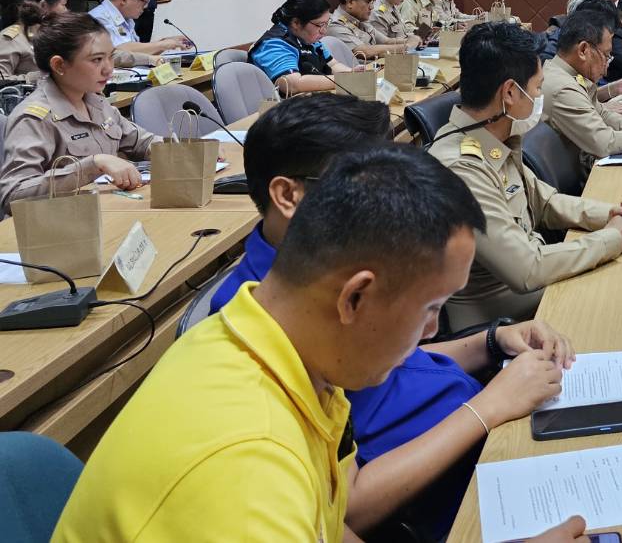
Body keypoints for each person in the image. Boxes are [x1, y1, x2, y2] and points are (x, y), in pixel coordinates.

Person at [53, 145, 591, 543]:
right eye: (430, 309)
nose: (433, 332)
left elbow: (332, 529)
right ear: (355, 298)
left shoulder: (271, 341)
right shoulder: (246, 470)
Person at [208, 96, 575, 540]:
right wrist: (488, 407)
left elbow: (396, 360)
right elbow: (342, 510)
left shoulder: (336, 292)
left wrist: (489, 343)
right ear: (288, 195)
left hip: (483, 422)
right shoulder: (272, 328)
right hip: (457, 485)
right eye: (361, 184)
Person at [430, 22, 622, 328]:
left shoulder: (493, 139)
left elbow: (545, 203)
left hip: (538, 293)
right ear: (509, 92)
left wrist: (614, 213)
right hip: (506, 320)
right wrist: (612, 239)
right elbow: (527, 269)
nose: (539, 96)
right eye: (536, 88)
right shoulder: (460, 167)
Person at [0, 13, 154, 218]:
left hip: (106, 213)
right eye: (97, 60)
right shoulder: (34, 118)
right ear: (59, 65)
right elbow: (12, 195)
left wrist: (185, 150)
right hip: (62, 229)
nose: (109, 69)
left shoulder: (94, 101)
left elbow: (142, 142)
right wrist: (91, 165)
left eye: (110, 57)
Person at [541, 10, 622, 174]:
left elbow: (603, 115)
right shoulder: (563, 88)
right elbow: (604, 143)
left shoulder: (571, 75)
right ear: (583, 50)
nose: (606, 68)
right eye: (605, 55)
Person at [250, 0, 361, 95]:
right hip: (286, 110)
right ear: (296, 23)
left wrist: (352, 73)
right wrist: (345, 80)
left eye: (327, 23)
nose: (324, 31)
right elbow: (292, 84)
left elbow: (333, 64)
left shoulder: (308, 37)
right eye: (319, 25)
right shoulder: (273, 44)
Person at [89, 0, 192, 66]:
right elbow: (118, 52)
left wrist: (166, 43)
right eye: (144, 1)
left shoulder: (126, 18)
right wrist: (163, 44)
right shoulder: (98, 19)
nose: (146, 6)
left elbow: (136, 54)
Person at [0, 0, 69, 81]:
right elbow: (2, 81)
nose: (66, 10)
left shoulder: (49, 35)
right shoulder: (10, 39)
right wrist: (38, 77)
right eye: (63, 4)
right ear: (43, 6)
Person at [328, 0, 414, 59]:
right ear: (350, 2)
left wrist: (411, 41)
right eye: (368, 1)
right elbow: (365, 51)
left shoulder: (360, 20)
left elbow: (386, 41)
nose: (372, 7)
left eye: (373, 1)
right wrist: (406, 47)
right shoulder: (335, 25)